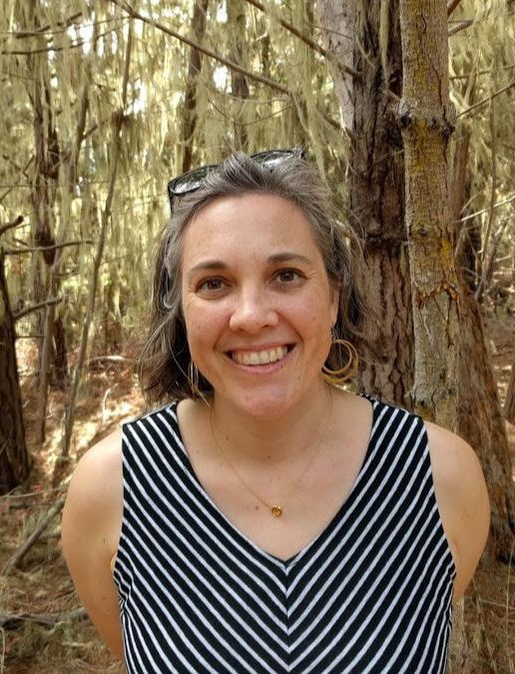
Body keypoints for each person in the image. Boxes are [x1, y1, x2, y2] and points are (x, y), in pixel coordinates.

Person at [61, 150, 490, 673]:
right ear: (181, 311)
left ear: (333, 297)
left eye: (286, 275)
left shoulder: (442, 478)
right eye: (214, 283)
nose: (251, 316)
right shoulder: (112, 491)